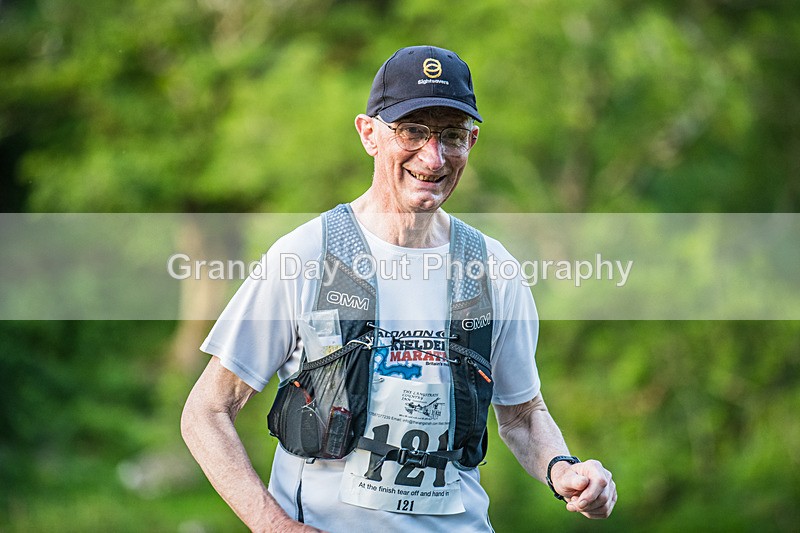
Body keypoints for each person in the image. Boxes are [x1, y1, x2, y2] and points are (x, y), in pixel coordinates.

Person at [181, 45, 616, 532]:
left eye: (452, 136)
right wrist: (272, 525)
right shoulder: (305, 256)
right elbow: (207, 412)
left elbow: (522, 416)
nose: (433, 157)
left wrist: (565, 470)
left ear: (472, 141)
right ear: (369, 133)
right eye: (412, 131)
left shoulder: (493, 268)